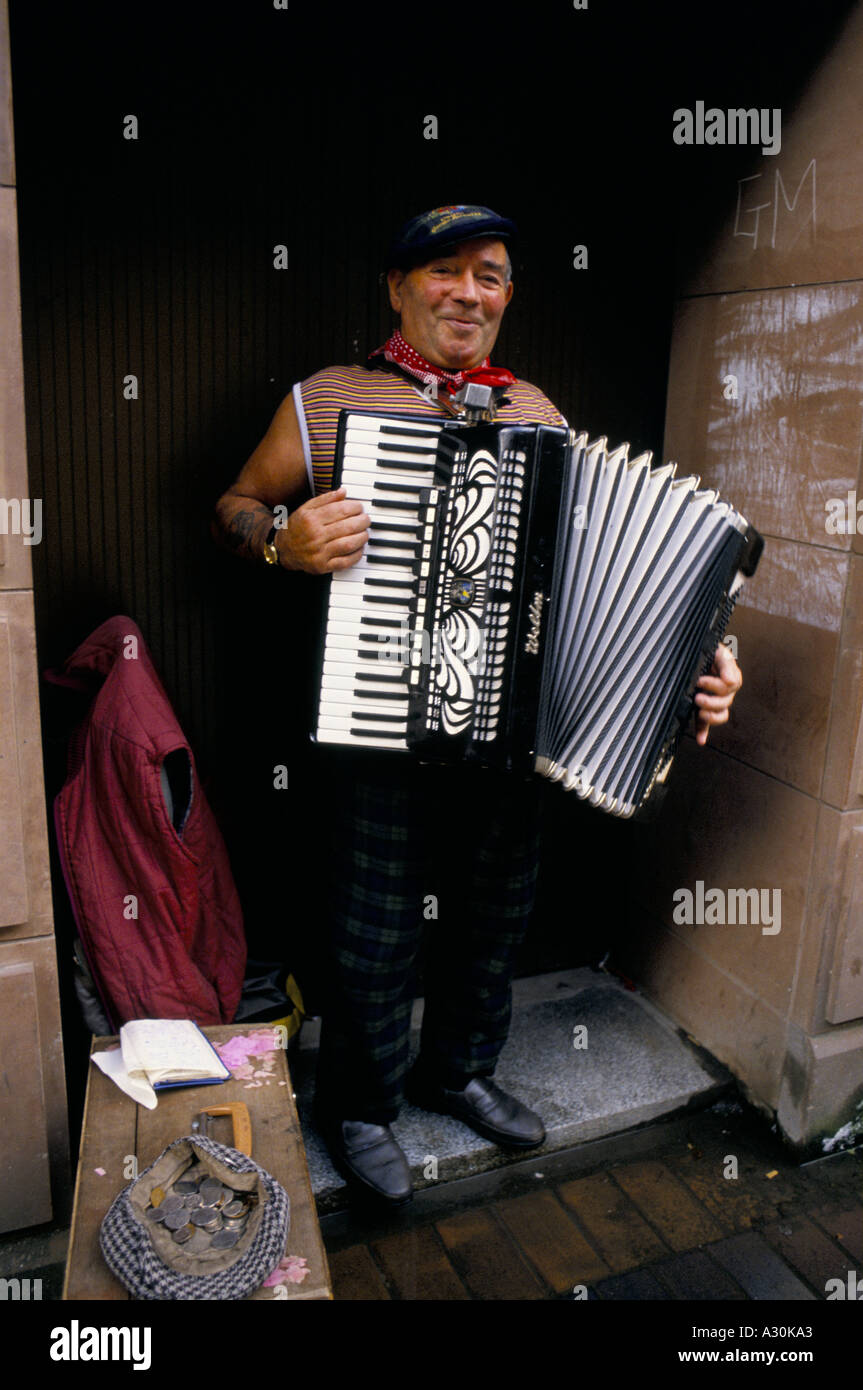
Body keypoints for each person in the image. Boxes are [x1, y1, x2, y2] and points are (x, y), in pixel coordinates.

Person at [213, 205, 743, 1205]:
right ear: (397, 287)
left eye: (489, 274)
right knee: (373, 931)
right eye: (443, 270)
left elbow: (623, 570)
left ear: (507, 294)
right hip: (376, 725)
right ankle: (360, 1106)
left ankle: (455, 1069)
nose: (467, 291)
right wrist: (281, 538)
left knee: (493, 915)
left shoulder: (535, 412)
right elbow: (232, 504)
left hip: (508, 734)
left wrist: (702, 662)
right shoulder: (330, 399)